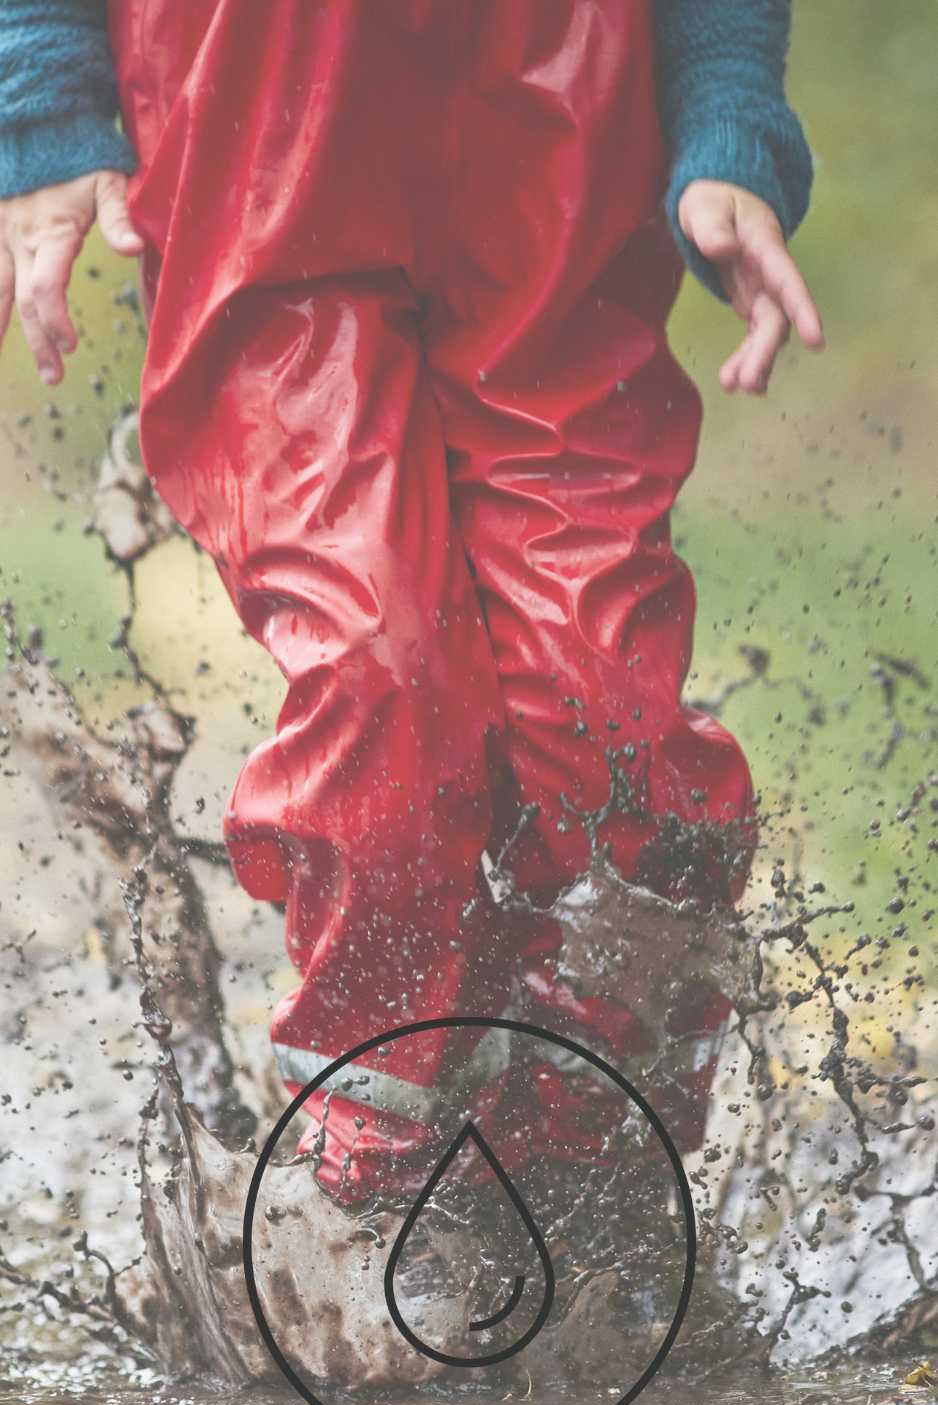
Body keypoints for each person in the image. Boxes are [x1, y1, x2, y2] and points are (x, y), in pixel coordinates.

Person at [0, 0, 823, 1203]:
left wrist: (727, 103)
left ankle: (585, 1203)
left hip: (557, 131)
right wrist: (42, 102)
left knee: (619, 746)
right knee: (382, 683)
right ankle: (366, 1201)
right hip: (258, 135)